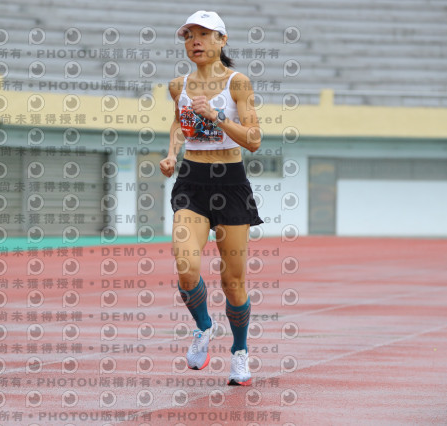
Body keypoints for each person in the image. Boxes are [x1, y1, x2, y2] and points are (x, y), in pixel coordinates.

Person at [159, 10, 263, 386]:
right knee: (186, 266)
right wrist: (172, 153)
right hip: (192, 181)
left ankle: (240, 352)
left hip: (231, 184)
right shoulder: (178, 85)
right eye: (189, 35)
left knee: (233, 280)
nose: (195, 42)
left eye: (204, 34)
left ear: (222, 40)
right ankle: (204, 327)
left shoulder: (238, 83)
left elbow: (254, 140)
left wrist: (217, 116)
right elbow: (179, 121)